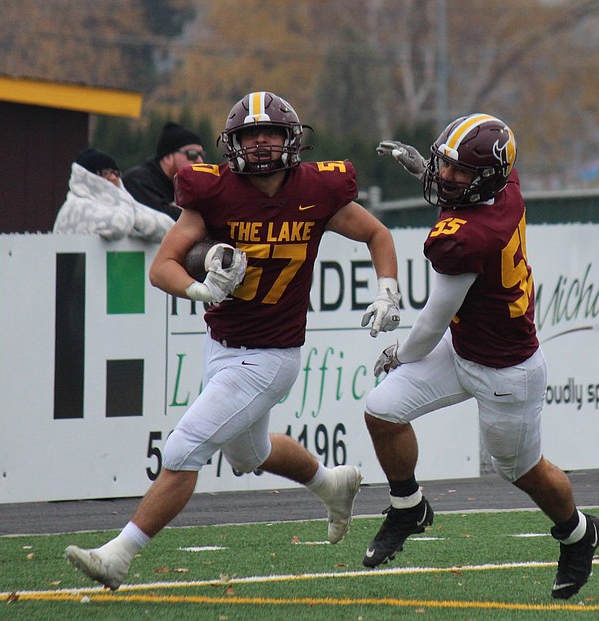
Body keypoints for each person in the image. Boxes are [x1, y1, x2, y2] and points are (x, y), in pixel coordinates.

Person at [65, 91, 403, 590]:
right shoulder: (215, 192)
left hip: (272, 356)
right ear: (234, 142)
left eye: (270, 133)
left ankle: (120, 554)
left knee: (182, 449)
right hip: (222, 345)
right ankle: (332, 483)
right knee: (249, 454)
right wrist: (199, 287)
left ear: (291, 140)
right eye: (251, 134)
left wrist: (387, 290)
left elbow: (378, 235)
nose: (261, 143)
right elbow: (162, 268)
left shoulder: (317, 189)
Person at [368, 115, 599, 600]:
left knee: (520, 470)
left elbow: (431, 323)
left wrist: (397, 352)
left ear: (486, 178)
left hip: (505, 370)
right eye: (444, 164)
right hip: (465, 345)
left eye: (458, 170)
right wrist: (423, 171)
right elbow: (473, 180)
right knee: (382, 411)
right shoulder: (505, 183)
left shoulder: (469, 236)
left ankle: (579, 533)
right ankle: (409, 507)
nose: (445, 175)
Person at [52, 148, 174, 241]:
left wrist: (130, 213)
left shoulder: (121, 206)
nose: (113, 178)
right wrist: (127, 205)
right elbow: (118, 226)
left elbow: (168, 227)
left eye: (115, 173)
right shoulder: (76, 205)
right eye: (105, 173)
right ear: (88, 176)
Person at [122, 122, 206, 220]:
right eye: (192, 154)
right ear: (167, 158)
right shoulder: (137, 181)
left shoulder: (187, 187)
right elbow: (166, 220)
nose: (200, 161)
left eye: (202, 155)